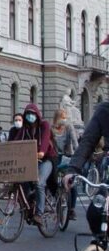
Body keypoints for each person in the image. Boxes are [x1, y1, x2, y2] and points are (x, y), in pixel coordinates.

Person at [64, 101, 109, 235]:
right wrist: (72, 170)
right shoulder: (104, 111)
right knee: (95, 214)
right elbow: (88, 141)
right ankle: (102, 250)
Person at [10, 103, 58, 225]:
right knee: (22, 180)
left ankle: (39, 214)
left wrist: (42, 151)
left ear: (37, 114)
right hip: (31, 159)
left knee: (39, 182)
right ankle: (30, 203)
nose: (30, 116)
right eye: (28, 114)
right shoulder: (25, 128)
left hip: (47, 158)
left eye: (32, 113)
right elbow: (16, 141)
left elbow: (46, 139)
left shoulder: (44, 125)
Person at [51, 108, 79, 220]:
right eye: (62, 117)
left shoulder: (69, 127)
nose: (64, 119)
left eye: (65, 117)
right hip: (55, 157)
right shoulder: (52, 129)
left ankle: (72, 209)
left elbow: (75, 143)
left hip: (68, 157)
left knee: (72, 182)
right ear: (56, 118)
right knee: (52, 179)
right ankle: (54, 201)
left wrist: (78, 155)